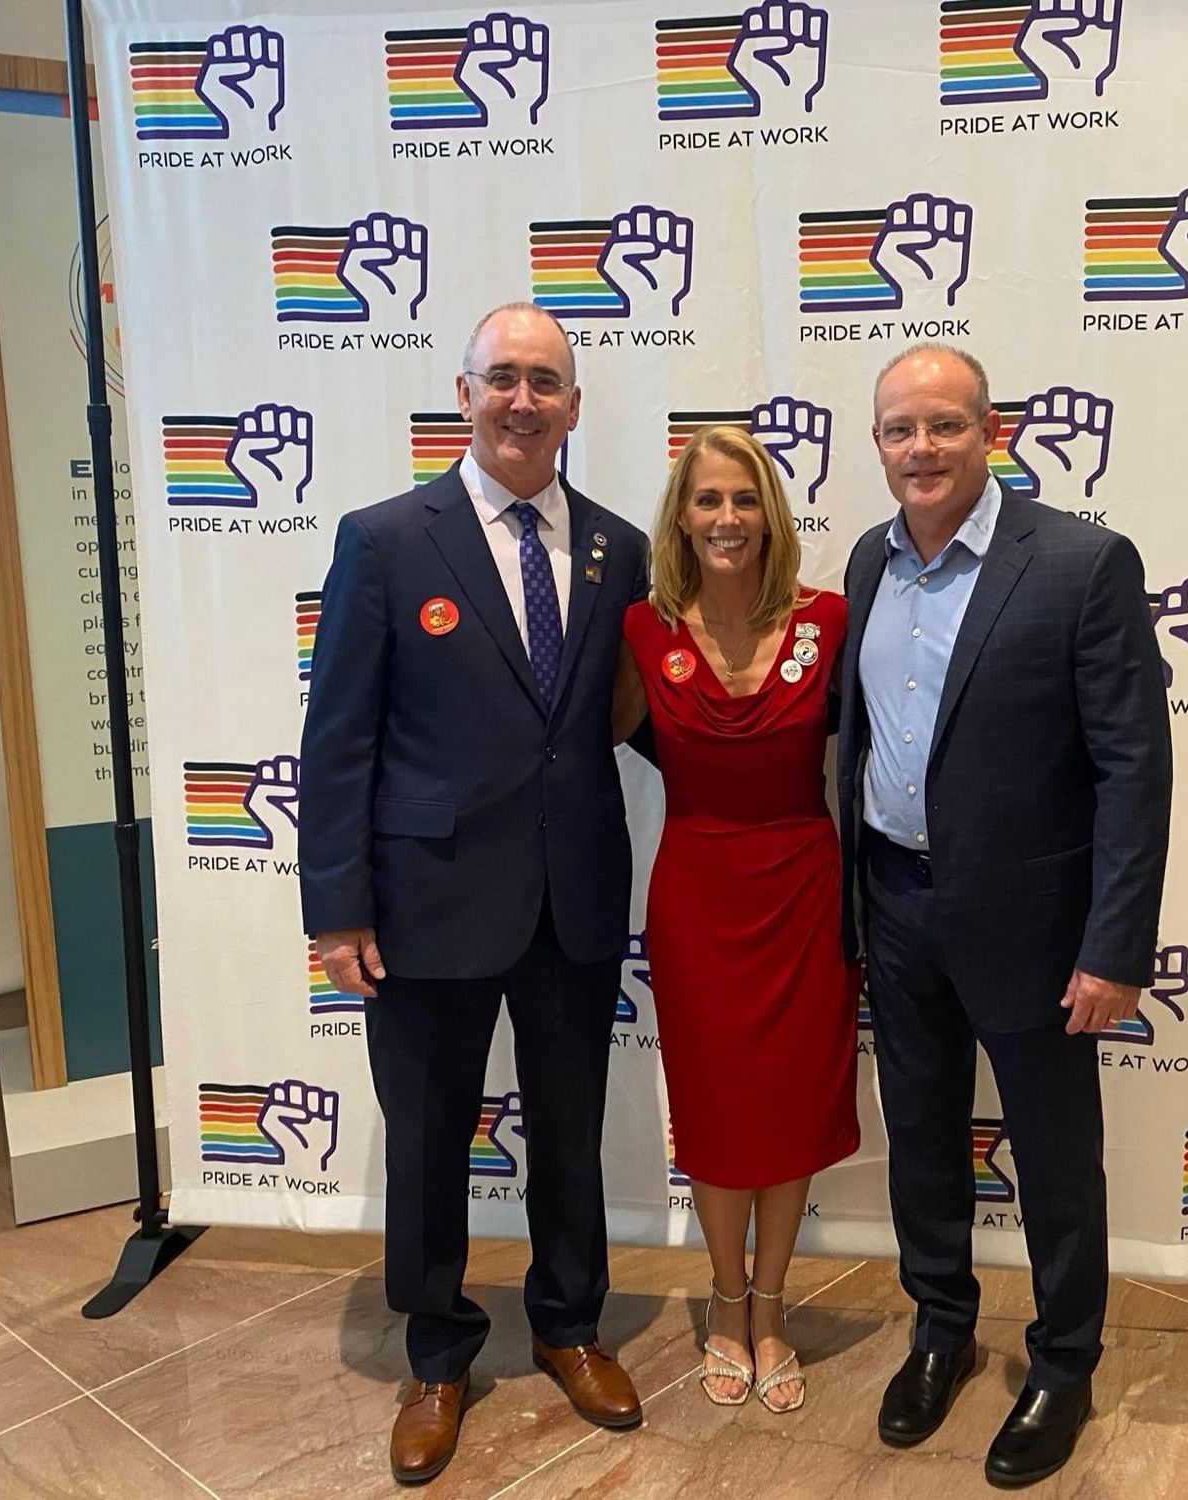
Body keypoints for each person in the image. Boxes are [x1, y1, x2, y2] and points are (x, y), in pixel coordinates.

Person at [301, 303, 650, 1487]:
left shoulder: (615, 548)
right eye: (500, 378)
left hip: (574, 896)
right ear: (462, 394)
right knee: (430, 1139)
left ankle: (566, 1326)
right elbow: (338, 737)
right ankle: (439, 1354)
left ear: (573, 406)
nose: (521, 401)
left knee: (566, 1133)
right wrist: (336, 908)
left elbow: (637, 720)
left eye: (544, 382)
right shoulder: (386, 540)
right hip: (425, 900)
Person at [837, 345, 1172, 1488]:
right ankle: (939, 1330)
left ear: (991, 432)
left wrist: (1113, 944)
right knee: (921, 1140)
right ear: (876, 445)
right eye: (896, 430)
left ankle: (1063, 1362)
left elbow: (1134, 768)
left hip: (1034, 926)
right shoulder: (866, 565)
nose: (918, 449)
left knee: (1055, 1157)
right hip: (894, 900)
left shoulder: (1080, 564)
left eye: (941, 426)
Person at [612, 425, 860, 1414]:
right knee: (717, 1113)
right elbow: (576, 743)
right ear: (681, 516)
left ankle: (771, 1307)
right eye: (707, 499)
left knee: (789, 1109)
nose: (726, 519)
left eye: (744, 499)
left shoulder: (832, 621)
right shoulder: (639, 630)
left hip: (803, 888)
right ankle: (722, 1304)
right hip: (696, 894)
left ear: (771, 516)